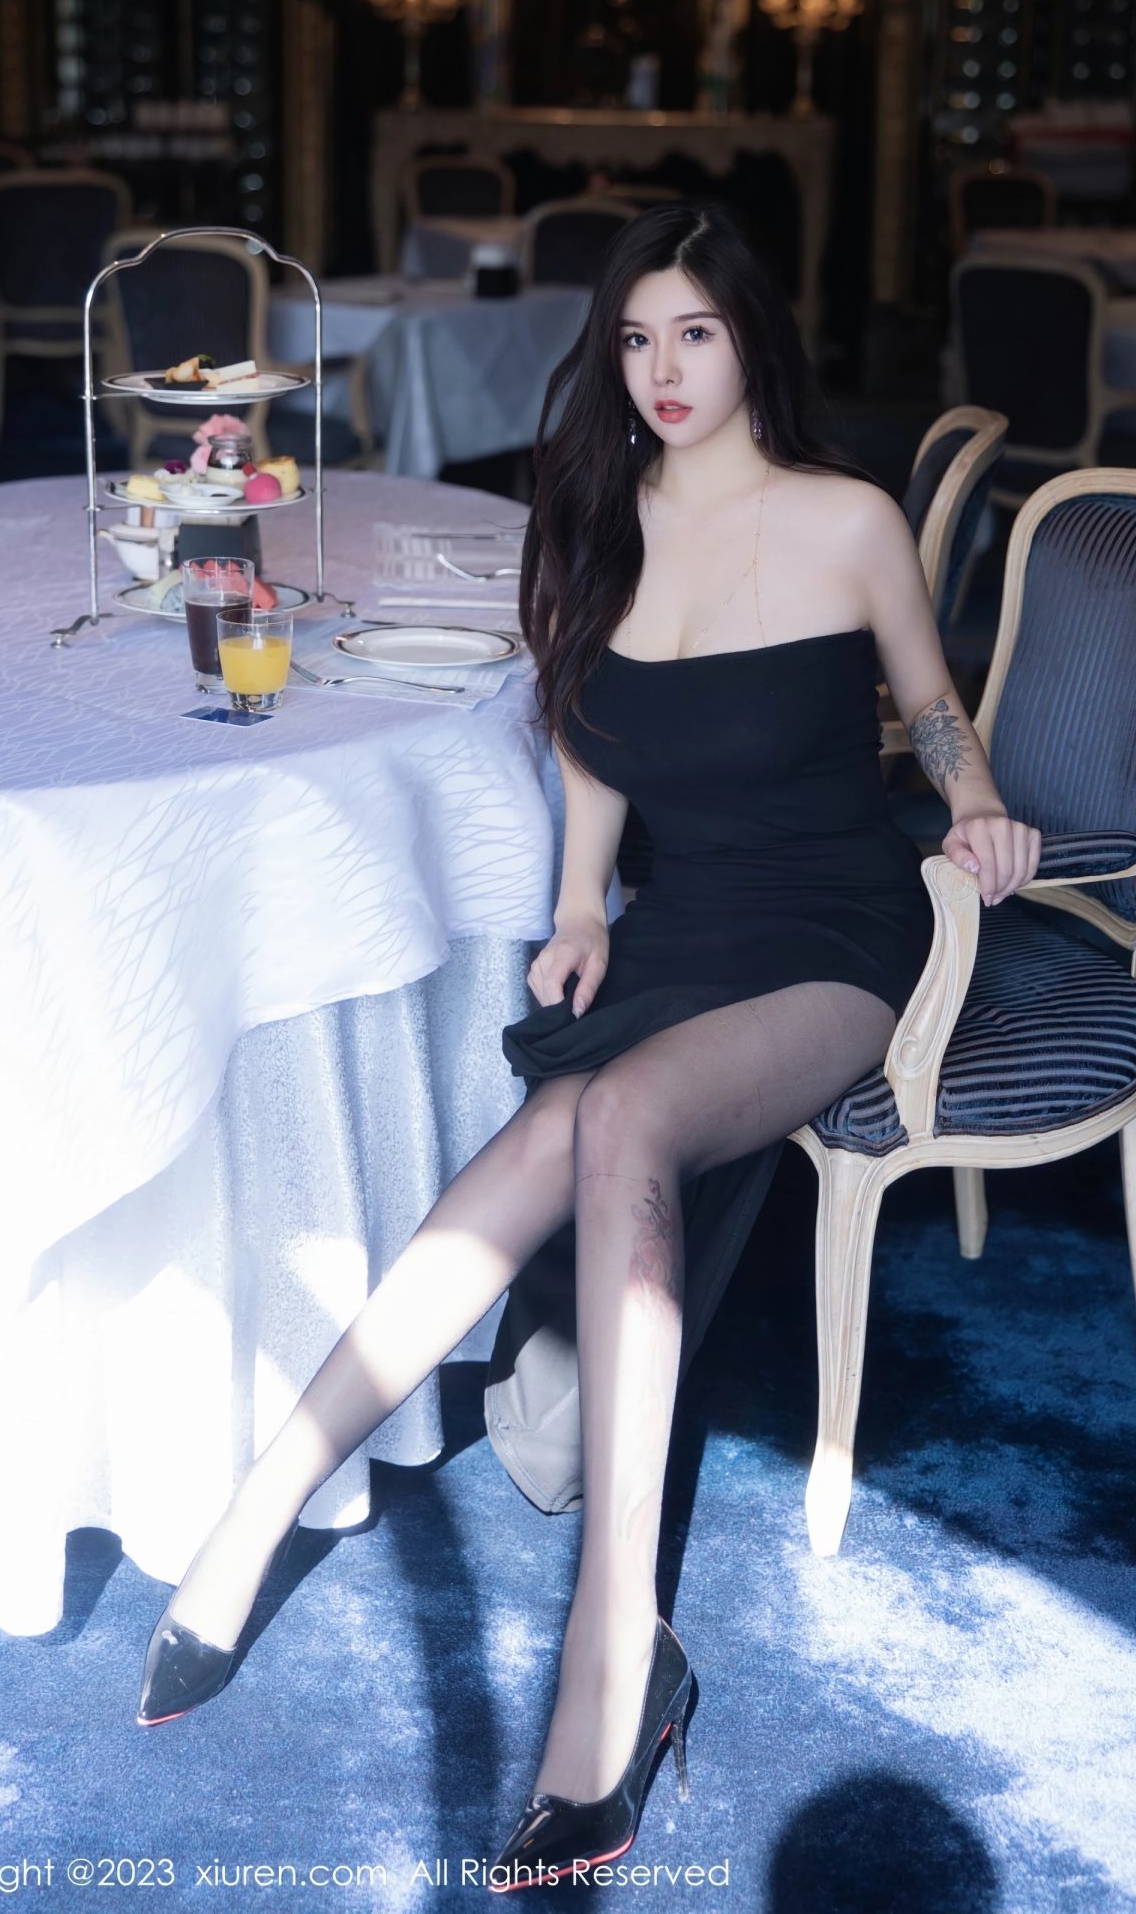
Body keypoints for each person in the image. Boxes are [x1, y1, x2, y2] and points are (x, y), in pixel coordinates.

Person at [135, 199, 1041, 1890]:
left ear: (751, 339)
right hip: (683, 925)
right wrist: (577, 904)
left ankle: (613, 1658)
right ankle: (264, 1502)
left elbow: (930, 705)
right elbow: (592, 734)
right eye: (636, 337)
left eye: (695, 332)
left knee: (616, 1114)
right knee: (518, 1164)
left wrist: (976, 796)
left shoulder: (846, 518)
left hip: (836, 934)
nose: (663, 370)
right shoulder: (600, 519)